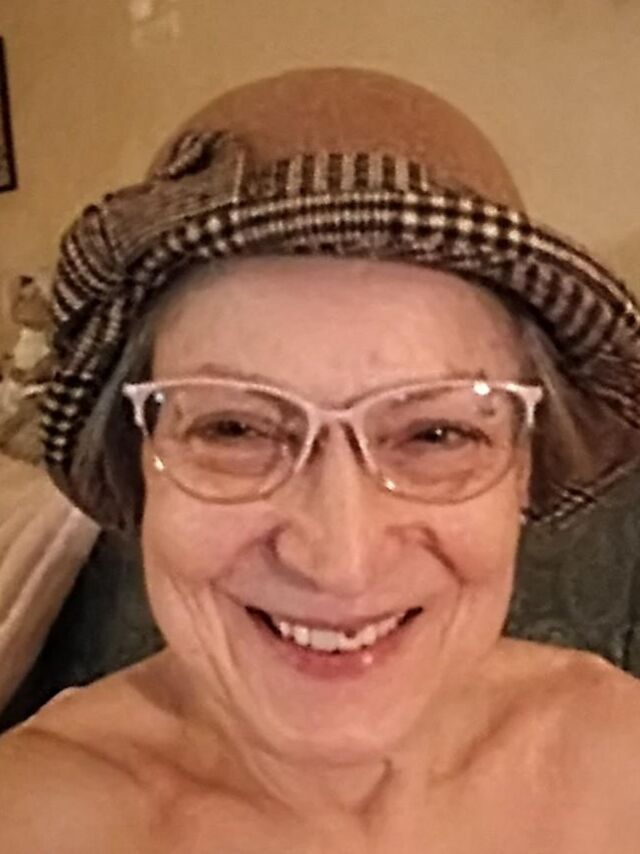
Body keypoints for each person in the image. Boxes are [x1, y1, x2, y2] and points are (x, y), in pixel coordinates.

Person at [1, 67, 640, 853]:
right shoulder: (29, 815)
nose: (341, 561)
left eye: (435, 435)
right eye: (235, 429)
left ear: (524, 467)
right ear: (136, 463)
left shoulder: (620, 755)